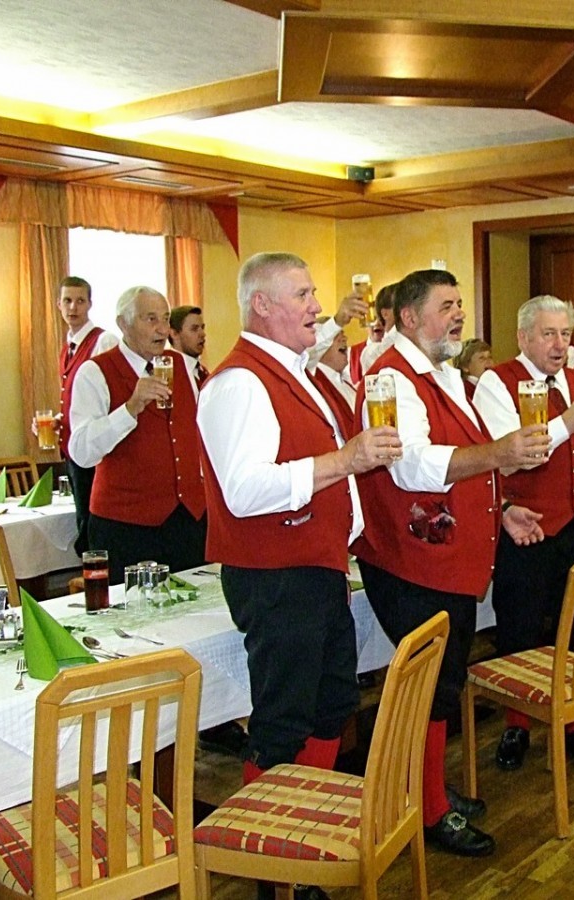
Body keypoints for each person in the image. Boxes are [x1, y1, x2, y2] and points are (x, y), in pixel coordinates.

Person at [354, 269, 548, 858]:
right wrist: (498, 453)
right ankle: (429, 809)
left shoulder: (442, 374)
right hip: (412, 559)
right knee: (432, 685)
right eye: (447, 306)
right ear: (409, 317)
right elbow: (409, 466)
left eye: (460, 304)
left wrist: (504, 508)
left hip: (444, 554)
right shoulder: (391, 377)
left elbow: (465, 461)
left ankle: (428, 790)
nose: (460, 314)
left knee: (442, 682)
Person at [197, 251, 400, 790]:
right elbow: (243, 492)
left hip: (315, 566)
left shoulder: (292, 369)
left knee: (331, 703)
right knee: (282, 721)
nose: (316, 306)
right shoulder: (239, 383)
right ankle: (271, 837)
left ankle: (308, 815)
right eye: (303, 295)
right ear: (262, 305)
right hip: (276, 576)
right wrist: (346, 460)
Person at [473, 295, 574, 774]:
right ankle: (517, 724)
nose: (560, 344)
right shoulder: (497, 382)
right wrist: (566, 422)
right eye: (548, 334)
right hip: (528, 529)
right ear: (523, 337)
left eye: (564, 334)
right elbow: (511, 457)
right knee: (520, 630)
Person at [68, 286, 206, 582]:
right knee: (134, 607)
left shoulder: (181, 365)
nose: (162, 329)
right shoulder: (95, 372)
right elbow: (80, 451)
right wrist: (129, 410)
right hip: (125, 525)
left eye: (165, 319)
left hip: (187, 519)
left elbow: (195, 431)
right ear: (123, 323)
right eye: (150, 319)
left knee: (197, 603)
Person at [55, 276, 118, 552]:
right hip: (73, 447)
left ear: (90, 304)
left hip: (97, 450)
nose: (73, 307)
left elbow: (112, 396)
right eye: (67, 301)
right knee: (82, 519)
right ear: (58, 305)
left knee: (94, 524)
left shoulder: (104, 341)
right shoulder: (67, 347)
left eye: (80, 301)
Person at [168, 305, 208, 386]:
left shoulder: (204, 373)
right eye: (194, 329)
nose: (203, 334)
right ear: (174, 333)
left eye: (202, 328)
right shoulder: (166, 374)